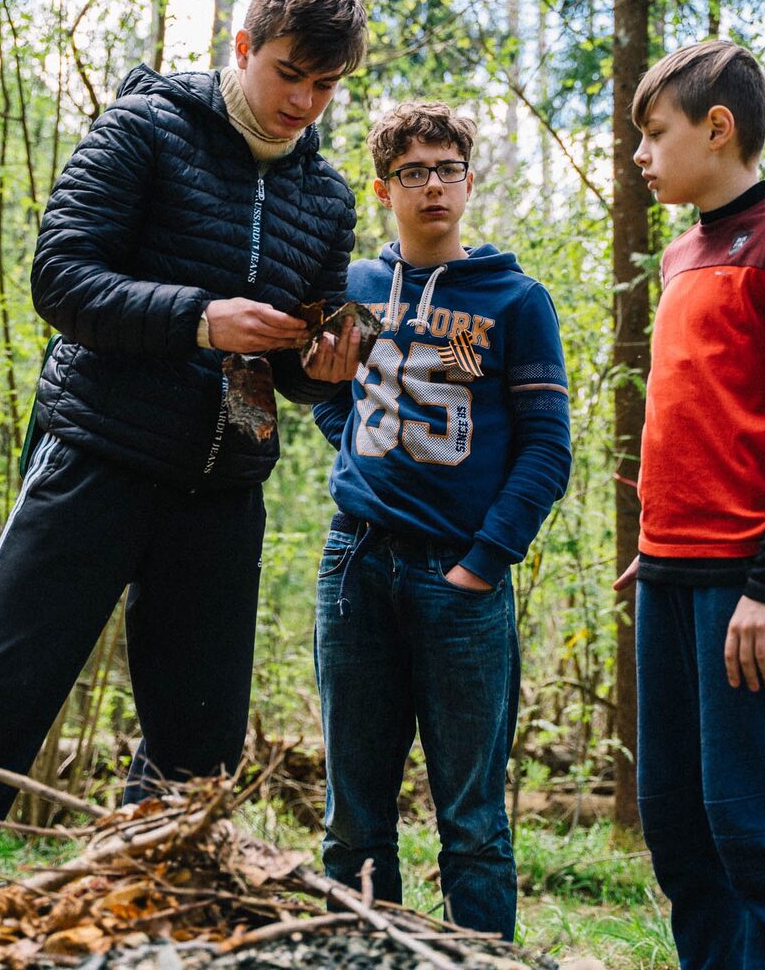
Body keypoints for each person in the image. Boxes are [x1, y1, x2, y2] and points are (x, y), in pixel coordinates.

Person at [0, 0, 369, 935]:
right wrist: (198, 319)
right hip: (98, 453)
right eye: (290, 72)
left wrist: (324, 367)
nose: (305, 100)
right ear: (245, 47)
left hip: (223, 485)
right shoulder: (147, 130)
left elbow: (292, 358)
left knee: (196, 748)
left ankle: (138, 937)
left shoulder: (326, 197)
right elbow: (60, 276)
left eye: (327, 85)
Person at [610, 39, 765, 969]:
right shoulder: (681, 253)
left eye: (655, 133)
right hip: (673, 575)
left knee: (759, 830)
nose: (640, 155)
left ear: (718, 128)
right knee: (679, 826)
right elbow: (702, 410)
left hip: (754, 586)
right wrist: (656, 537)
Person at [311, 101, 572, 940]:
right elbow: (329, 397)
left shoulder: (516, 298)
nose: (434, 186)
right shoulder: (350, 288)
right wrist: (354, 455)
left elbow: (546, 451)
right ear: (384, 188)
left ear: (469, 179)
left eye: (448, 169)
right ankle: (357, 956)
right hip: (354, 566)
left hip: (460, 578)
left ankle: (484, 956)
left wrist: (483, 564)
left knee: (472, 821)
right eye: (414, 172)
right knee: (354, 817)